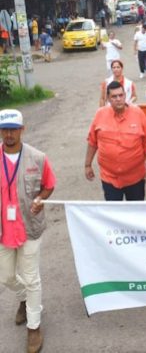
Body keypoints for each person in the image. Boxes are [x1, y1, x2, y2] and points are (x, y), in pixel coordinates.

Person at [0, 109, 56, 353]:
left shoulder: (37, 157)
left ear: (22, 129)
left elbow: (49, 186)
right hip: (3, 229)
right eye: (4, 130)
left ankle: (34, 327)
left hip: (29, 227)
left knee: (32, 278)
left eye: (13, 129)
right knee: (6, 277)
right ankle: (23, 298)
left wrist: (40, 199)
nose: (9, 134)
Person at [85, 81, 146, 201]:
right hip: (109, 178)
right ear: (108, 98)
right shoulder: (100, 114)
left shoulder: (138, 113)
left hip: (135, 177)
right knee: (114, 214)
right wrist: (87, 165)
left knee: (135, 214)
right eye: (114, 96)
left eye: (121, 95)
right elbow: (92, 142)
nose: (118, 99)